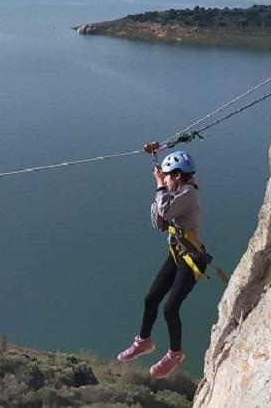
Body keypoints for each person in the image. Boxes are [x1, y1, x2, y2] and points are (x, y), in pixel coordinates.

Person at [117, 150, 206, 379]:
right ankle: (143, 341)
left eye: (167, 176)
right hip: (177, 253)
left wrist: (159, 186)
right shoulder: (175, 193)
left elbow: (165, 210)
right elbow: (159, 222)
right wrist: (161, 192)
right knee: (151, 298)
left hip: (191, 259)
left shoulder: (188, 193)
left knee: (170, 308)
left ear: (176, 175)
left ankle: (175, 354)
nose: (164, 179)